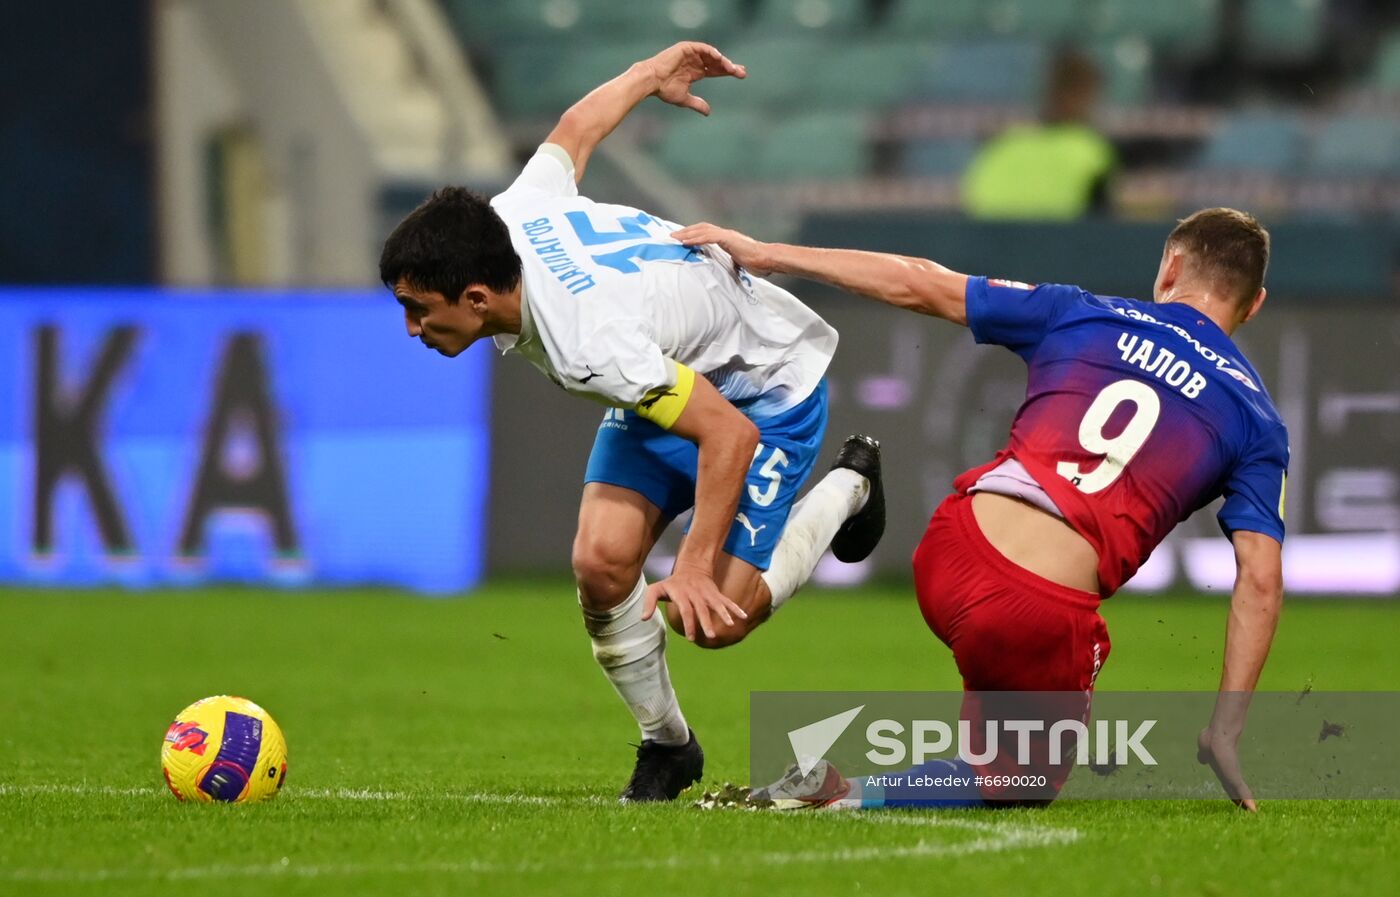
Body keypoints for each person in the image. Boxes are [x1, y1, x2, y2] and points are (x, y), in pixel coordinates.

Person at [377, 42, 885, 803]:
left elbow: (729, 435)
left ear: (478, 299)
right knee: (601, 561)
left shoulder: (587, 344)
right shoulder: (509, 215)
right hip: (670, 369)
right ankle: (668, 746)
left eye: (420, 310)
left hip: (765, 384)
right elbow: (576, 130)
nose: (413, 329)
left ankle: (851, 482)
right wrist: (652, 73)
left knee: (715, 617)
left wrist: (689, 561)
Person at [673, 207, 1287, 812]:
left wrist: (770, 253)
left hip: (952, 548)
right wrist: (1224, 731)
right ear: (1253, 303)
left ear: (1172, 267)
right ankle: (839, 797)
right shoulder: (1258, 421)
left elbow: (916, 279)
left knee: (1002, 702)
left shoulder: (1080, 310)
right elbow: (1259, 579)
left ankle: (842, 495)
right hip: (1034, 613)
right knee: (1020, 780)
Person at [962, 48, 1117, 220]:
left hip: (993, 244)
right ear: (1084, 95)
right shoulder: (1091, 151)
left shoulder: (999, 146)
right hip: (1060, 244)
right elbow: (1102, 226)